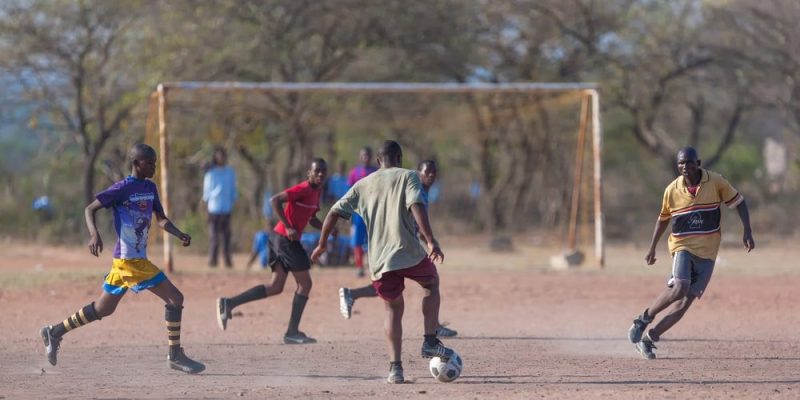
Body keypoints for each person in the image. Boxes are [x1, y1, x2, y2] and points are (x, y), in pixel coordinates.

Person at [39, 144, 205, 374]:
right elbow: (90, 209)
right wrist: (94, 234)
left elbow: (161, 219)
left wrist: (179, 234)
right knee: (175, 298)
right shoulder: (122, 188)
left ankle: (54, 332)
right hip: (130, 261)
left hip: (125, 260)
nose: (154, 167)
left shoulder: (150, 187)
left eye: (155, 163)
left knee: (103, 308)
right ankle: (175, 355)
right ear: (137, 163)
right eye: (150, 163)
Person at [311, 141, 456, 384]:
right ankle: (430, 341)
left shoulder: (362, 184)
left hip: (378, 258)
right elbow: (416, 205)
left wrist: (322, 243)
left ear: (378, 161)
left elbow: (333, 212)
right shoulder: (409, 176)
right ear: (399, 157)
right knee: (431, 283)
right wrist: (430, 240)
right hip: (407, 251)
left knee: (393, 308)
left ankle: (395, 369)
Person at [628, 146, 755, 359]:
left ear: (698, 163)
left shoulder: (715, 182)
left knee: (684, 303)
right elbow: (663, 220)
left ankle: (649, 339)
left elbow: (740, 203)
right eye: (680, 163)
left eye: (688, 162)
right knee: (680, 287)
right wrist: (652, 248)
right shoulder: (672, 190)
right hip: (682, 246)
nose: (684, 167)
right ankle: (643, 319)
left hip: (708, 252)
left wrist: (747, 231)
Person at [338, 160, 458, 337]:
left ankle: (352, 294)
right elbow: (415, 219)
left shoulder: (422, 192)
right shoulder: (415, 190)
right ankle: (432, 329)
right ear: (419, 173)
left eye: (434, 172)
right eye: (427, 172)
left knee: (393, 282)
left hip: (403, 244)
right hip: (398, 244)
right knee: (424, 281)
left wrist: (430, 241)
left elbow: (417, 225)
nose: (431, 175)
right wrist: (431, 241)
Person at [216, 159, 328, 344]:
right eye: (317, 171)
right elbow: (274, 200)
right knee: (305, 283)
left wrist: (327, 227)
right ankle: (292, 332)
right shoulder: (303, 188)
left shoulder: (317, 193)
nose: (320, 175)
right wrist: (288, 226)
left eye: (323, 172)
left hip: (279, 239)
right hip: (284, 239)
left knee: (275, 287)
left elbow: (311, 218)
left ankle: (229, 303)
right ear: (310, 172)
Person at [203, 147, 237, 268]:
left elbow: (233, 190)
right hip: (214, 208)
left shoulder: (230, 172)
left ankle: (228, 261)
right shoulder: (210, 173)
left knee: (226, 237)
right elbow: (206, 193)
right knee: (214, 237)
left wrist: (233, 203)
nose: (220, 158)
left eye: (222, 156)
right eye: (218, 156)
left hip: (227, 208)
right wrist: (207, 208)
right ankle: (212, 261)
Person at [348, 147, 378, 277]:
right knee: (357, 240)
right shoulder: (354, 173)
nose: (365, 158)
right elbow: (349, 194)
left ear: (371, 157)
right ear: (360, 157)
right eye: (363, 155)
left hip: (374, 212)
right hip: (358, 213)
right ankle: (360, 267)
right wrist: (349, 211)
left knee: (374, 239)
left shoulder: (377, 172)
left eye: (368, 155)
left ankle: (375, 266)